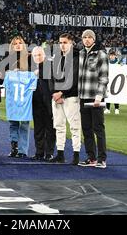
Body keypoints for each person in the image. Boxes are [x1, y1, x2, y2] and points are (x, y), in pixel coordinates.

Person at [78, 29, 109, 168]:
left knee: (98, 128)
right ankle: (91, 158)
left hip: (96, 97)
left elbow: (104, 77)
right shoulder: (81, 53)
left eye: (90, 37)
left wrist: (99, 96)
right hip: (83, 96)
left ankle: (102, 159)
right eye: (85, 37)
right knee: (86, 129)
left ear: (94, 39)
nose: (87, 39)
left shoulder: (101, 54)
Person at [49, 33, 81, 165]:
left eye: (65, 42)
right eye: (60, 42)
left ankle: (76, 155)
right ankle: (60, 154)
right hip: (57, 97)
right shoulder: (57, 57)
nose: (62, 45)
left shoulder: (76, 57)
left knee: (74, 126)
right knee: (59, 125)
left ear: (71, 43)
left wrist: (61, 92)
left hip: (71, 96)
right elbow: (50, 77)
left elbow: (74, 78)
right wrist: (54, 93)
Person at [1, 35, 35, 158]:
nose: (18, 45)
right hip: (13, 97)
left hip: (25, 98)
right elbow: (2, 77)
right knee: (13, 123)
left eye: (20, 42)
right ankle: (14, 147)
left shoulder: (30, 58)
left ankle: (23, 150)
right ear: (12, 45)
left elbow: (34, 76)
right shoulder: (7, 59)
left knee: (25, 124)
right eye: (15, 43)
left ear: (23, 44)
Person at [31, 46, 55, 161]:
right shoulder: (31, 69)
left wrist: (37, 72)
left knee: (50, 128)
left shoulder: (49, 66)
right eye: (35, 55)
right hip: (36, 103)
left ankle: (49, 152)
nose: (37, 57)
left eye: (39, 55)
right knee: (38, 128)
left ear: (44, 55)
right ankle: (39, 152)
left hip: (48, 103)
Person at [105, 50, 121, 115]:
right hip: (108, 80)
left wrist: (121, 65)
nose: (111, 56)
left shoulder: (118, 62)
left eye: (112, 55)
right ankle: (108, 109)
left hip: (116, 81)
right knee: (107, 95)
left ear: (115, 56)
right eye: (110, 55)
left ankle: (116, 109)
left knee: (115, 95)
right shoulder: (107, 62)